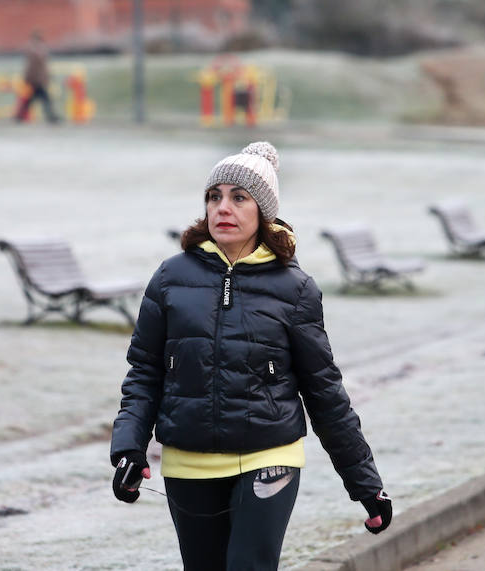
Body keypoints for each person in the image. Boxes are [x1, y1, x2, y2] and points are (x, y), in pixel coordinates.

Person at [110, 142, 392, 570]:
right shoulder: (170, 277)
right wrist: (129, 447)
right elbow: (145, 371)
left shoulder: (295, 289)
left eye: (238, 197)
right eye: (214, 196)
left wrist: (365, 485)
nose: (223, 207)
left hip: (269, 458)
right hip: (188, 463)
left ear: (263, 211)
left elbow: (324, 392)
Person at [14, 30, 60, 124]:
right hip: (37, 80)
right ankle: (51, 116)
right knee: (43, 99)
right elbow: (41, 67)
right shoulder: (39, 49)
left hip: (34, 80)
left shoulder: (31, 49)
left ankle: (20, 116)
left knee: (31, 99)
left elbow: (32, 67)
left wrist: (27, 78)